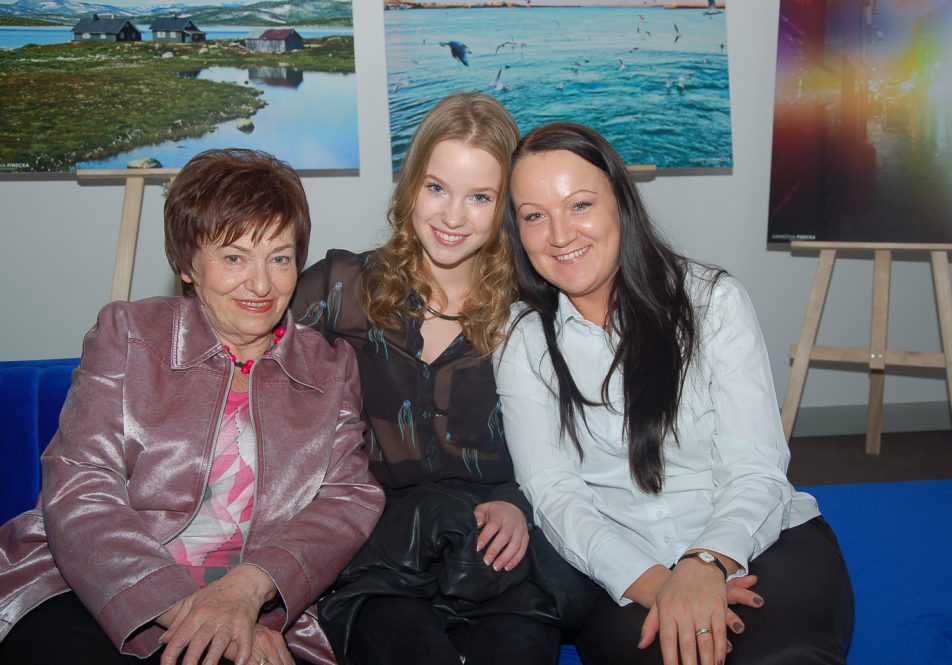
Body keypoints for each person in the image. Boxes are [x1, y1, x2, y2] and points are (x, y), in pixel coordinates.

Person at [0, 148, 385, 665]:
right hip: (85, 586)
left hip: (255, 609)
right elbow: (80, 486)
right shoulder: (129, 335)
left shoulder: (329, 368)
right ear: (187, 265)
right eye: (234, 257)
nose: (261, 284)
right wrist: (198, 613)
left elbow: (347, 500)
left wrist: (248, 591)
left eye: (279, 257)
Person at [494, 122, 854, 665]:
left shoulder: (712, 302)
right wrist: (659, 584)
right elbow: (553, 493)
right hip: (623, 573)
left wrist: (706, 564)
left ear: (621, 203)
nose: (560, 234)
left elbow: (755, 466)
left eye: (580, 205)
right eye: (534, 216)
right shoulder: (522, 339)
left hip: (755, 542)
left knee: (787, 657)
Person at [291, 93, 591, 665]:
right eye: (437, 188)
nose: (453, 217)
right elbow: (242, 364)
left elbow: (580, 443)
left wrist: (517, 502)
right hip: (377, 560)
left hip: (500, 559)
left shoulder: (536, 309)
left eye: (480, 197)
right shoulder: (339, 288)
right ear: (410, 187)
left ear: (506, 205)